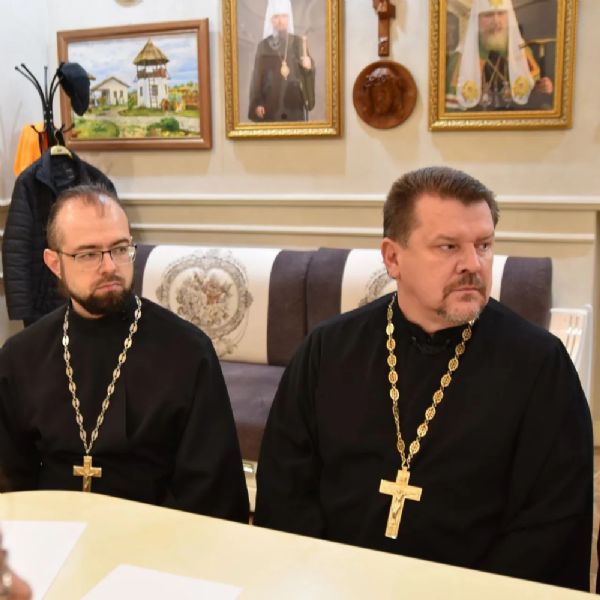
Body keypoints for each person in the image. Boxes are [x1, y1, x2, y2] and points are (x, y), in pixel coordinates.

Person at [254, 166, 593, 591]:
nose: (473, 264)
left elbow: (552, 518)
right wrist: (322, 578)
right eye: (448, 247)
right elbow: (285, 485)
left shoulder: (539, 364)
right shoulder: (328, 349)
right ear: (393, 258)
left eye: (484, 245)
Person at [0, 184, 249, 523]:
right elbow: (11, 481)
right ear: (54, 263)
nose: (109, 267)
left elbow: (212, 492)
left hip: (158, 538)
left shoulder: (187, 352)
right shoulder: (20, 357)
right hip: (50, 535)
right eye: (88, 254)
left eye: (119, 249)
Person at [445, 0, 553, 111]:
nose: (496, 21)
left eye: (501, 13)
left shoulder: (524, 53)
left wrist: (543, 88)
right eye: (488, 15)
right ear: (476, 20)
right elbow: (452, 111)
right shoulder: (459, 60)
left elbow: (534, 95)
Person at [248, 0, 315, 122]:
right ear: (271, 19)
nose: (280, 21)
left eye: (284, 16)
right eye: (276, 16)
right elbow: (257, 78)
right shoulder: (263, 46)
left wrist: (308, 67)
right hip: (270, 105)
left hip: (294, 105)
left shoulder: (299, 43)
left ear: (289, 18)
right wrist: (258, 102)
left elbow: (307, 73)